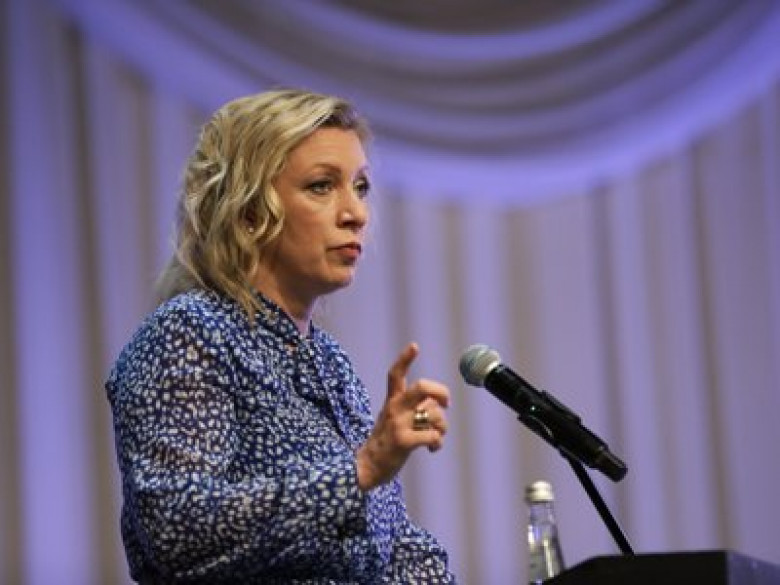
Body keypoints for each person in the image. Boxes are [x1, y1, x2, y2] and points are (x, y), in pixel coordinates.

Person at [106, 88, 457, 584]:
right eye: (321, 186)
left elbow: (392, 545)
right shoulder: (189, 333)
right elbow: (175, 530)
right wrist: (359, 471)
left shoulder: (328, 361)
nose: (355, 213)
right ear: (249, 211)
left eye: (360, 186)